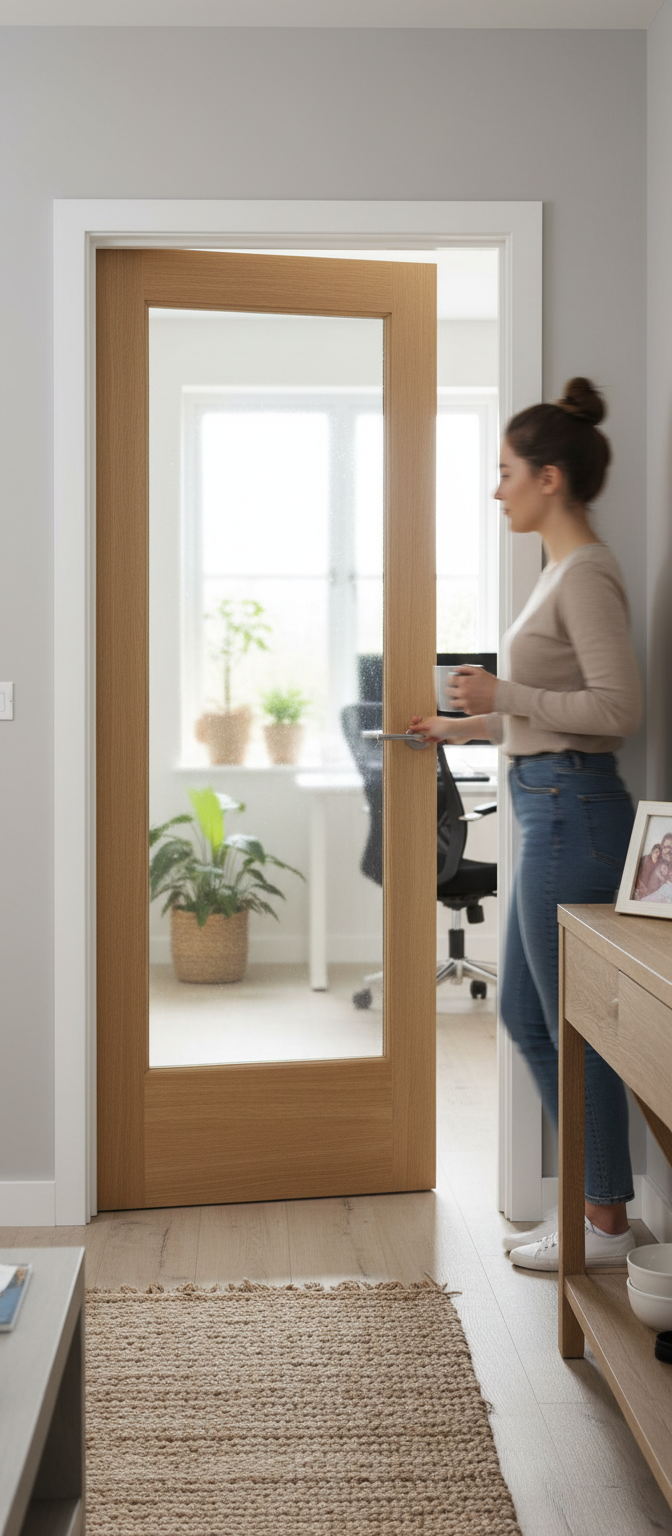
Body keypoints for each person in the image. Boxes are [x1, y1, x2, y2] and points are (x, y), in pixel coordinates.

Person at [411, 377, 642, 1272]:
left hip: (574, 812)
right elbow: (548, 711)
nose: (495, 487)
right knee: (525, 1010)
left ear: (549, 477)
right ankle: (604, 1211)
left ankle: (605, 1223)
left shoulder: (586, 572)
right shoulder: (558, 573)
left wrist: (504, 693)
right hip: (546, 804)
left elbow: (616, 708)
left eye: (505, 470)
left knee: (570, 1024)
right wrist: (465, 725)